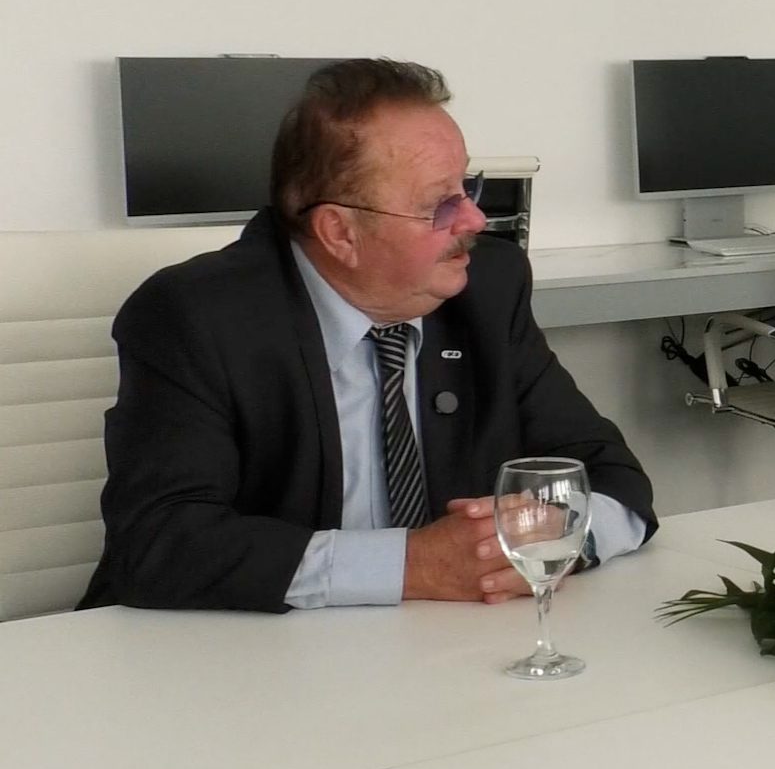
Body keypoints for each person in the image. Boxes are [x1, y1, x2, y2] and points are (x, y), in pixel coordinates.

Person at [81, 59, 656, 611]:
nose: (475, 221)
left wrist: (556, 536)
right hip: (246, 655)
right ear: (340, 233)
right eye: (441, 205)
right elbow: (158, 541)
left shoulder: (489, 287)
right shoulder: (194, 316)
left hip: (446, 644)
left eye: (467, 187)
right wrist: (411, 565)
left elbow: (613, 478)